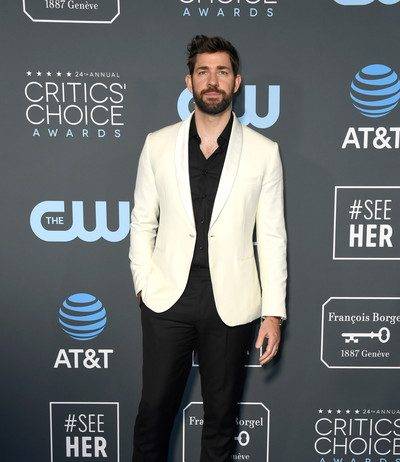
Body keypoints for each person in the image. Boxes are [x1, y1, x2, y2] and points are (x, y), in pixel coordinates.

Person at [129, 34, 287, 462]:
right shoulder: (157, 144)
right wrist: (144, 283)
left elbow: (272, 236)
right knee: (152, 416)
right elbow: (142, 221)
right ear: (189, 82)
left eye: (222, 71)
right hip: (167, 300)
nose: (212, 81)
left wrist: (273, 312)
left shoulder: (264, 152)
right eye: (203, 72)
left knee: (220, 422)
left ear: (237, 82)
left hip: (231, 303)